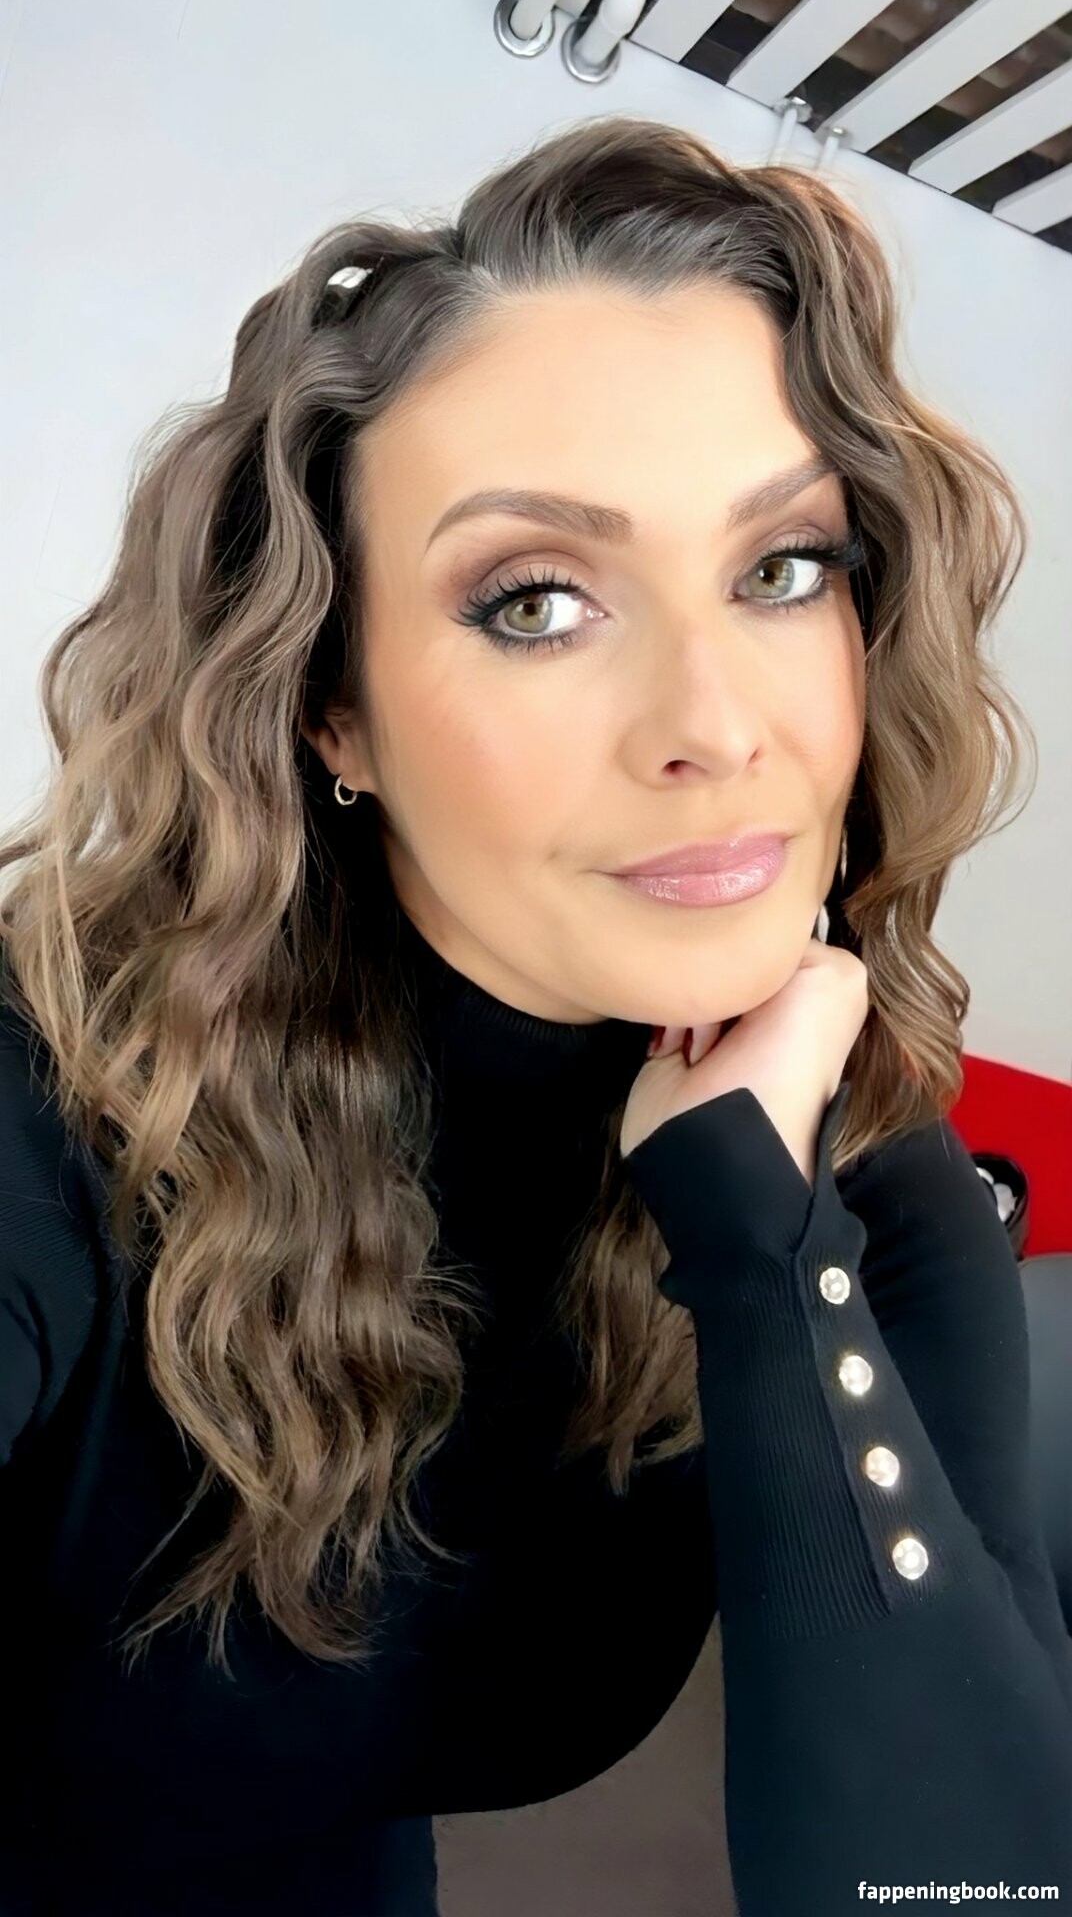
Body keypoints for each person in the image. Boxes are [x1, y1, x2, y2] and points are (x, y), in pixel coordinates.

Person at [1, 112, 1069, 1917]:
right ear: (331, 709)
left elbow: (958, 1882)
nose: (716, 726)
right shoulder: (55, 1106)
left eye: (782, 569)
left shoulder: (866, 1169)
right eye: (541, 601)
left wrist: (756, 1242)